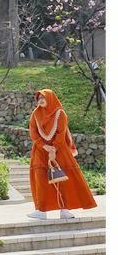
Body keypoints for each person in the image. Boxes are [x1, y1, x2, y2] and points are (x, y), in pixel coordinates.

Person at [27, 89, 96, 220]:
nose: (41, 100)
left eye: (44, 97)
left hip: (60, 151)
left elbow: (61, 133)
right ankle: (41, 210)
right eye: (39, 98)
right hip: (40, 151)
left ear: (51, 98)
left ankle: (64, 210)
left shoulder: (60, 114)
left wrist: (53, 149)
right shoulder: (35, 114)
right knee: (40, 179)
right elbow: (33, 133)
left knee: (62, 180)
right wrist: (45, 146)